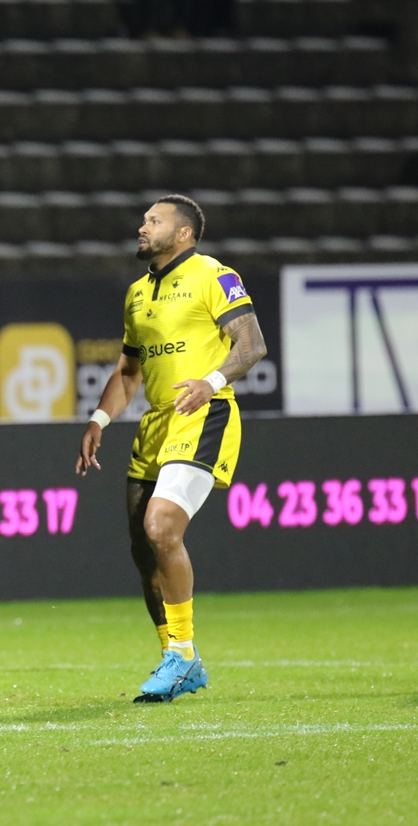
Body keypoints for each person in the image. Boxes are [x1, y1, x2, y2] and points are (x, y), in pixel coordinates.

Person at [75, 195, 267, 702]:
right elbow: (129, 373)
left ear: (183, 234)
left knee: (161, 526)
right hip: (156, 424)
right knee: (145, 552)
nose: (143, 226)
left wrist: (209, 381)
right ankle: (177, 659)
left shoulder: (214, 275)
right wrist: (99, 419)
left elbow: (251, 345)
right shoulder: (138, 293)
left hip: (204, 413)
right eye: (144, 219)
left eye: (154, 221)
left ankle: (182, 653)